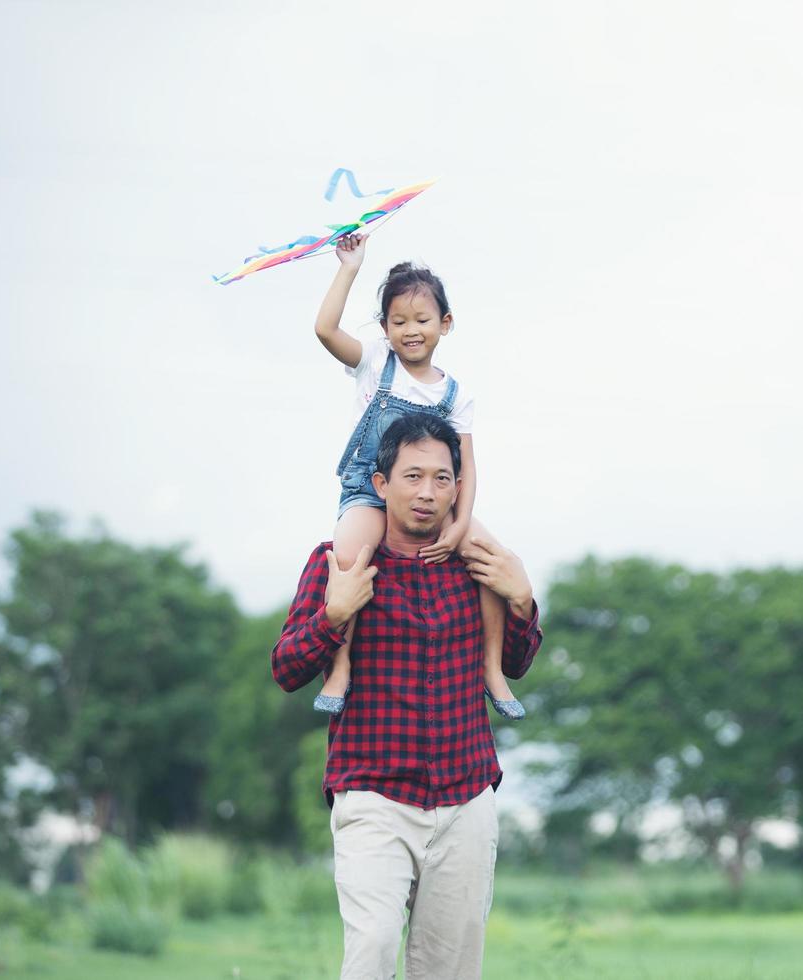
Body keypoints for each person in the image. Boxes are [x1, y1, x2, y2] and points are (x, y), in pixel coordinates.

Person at [272, 413, 542, 979]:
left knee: (449, 969)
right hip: (373, 794)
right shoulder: (341, 562)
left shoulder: (478, 568)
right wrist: (334, 615)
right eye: (413, 476)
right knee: (370, 955)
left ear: (459, 488)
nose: (427, 493)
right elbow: (287, 668)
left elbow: (515, 663)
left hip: (465, 797)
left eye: (442, 479)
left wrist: (521, 601)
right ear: (380, 483)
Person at [310, 232, 523, 720]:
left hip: (436, 497)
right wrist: (348, 268)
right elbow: (324, 330)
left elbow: (466, 468)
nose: (411, 330)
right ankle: (339, 667)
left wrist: (459, 524)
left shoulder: (455, 395)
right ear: (384, 328)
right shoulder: (372, 365)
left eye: (422, 320)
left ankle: (492, 669)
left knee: (492, 560)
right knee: (348, 554)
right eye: (398, 321)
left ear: (445, 324)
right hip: (370, 489)